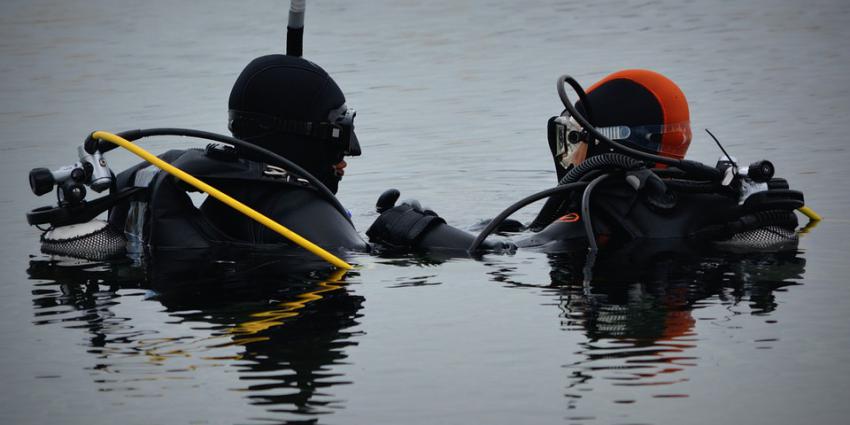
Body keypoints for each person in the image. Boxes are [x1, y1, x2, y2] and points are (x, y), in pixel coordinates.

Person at [366, 69, 806, 255]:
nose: (571, 154)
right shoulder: (706, 191)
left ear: (610, 142)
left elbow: (506, 252)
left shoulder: (605, 200)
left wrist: (418, 229)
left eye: (577, 138)